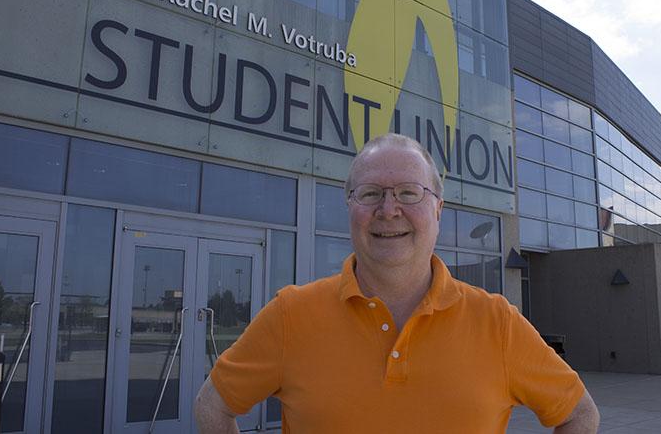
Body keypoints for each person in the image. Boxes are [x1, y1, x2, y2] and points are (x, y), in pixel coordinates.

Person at [195, 133, 600, 433]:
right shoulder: (291, 314)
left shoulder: (497, 322)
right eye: (370, 193)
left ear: (438, 210)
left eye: (409, 193)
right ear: (350, 206)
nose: (389, 211)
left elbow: (579, 414)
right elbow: (212, 407)